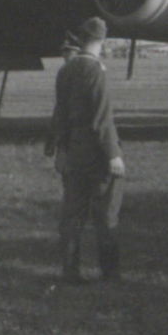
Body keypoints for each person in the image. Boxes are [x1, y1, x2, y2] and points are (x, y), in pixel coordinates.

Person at [47, 16, 126, 284]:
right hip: (96, 150)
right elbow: (102, 117)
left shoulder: (66, 69)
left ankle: (70, 270)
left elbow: (60, 113)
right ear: (102, 40)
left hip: (73, 148)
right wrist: (113, 153)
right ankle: (110, 272)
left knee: (72, 213)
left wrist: (60, 149)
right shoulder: (95, 70)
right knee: (106, 212)